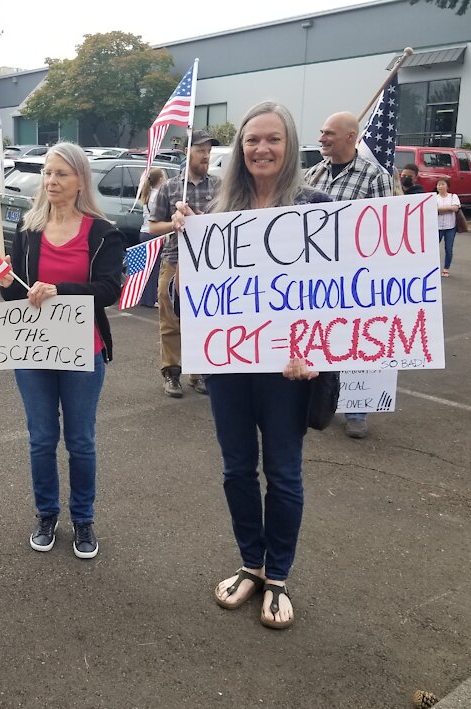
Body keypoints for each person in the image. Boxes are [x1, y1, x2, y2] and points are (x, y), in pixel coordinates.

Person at [172, 101, 332, 631]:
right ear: (239, 151)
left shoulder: (317, 207)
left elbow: (337, 297)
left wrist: (317, 350)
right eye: (251, 140)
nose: (261, 148)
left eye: (273, 139)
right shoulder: (217, 216)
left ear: (289, 147)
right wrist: (185, 245)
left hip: (289, 370)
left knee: (283, 474)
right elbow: (184, 300)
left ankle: (279, 577)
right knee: (237, 468)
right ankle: (251, 563)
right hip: (230, 367)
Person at [0, 142, 124, 560]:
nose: (51, 181)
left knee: (81, 441)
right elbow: (16, 296)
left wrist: (60, 290)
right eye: (48, 173)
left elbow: (110, 289)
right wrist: (3, 281)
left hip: (83, 350)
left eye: (61, 174)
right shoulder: (28, 229)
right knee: (41, 439)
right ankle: (46, 514)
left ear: (80, 180)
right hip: (33, 350)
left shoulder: (103, 232)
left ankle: (83, 518)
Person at [301, 110, 393, 439]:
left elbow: (386, 229)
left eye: (328, 133)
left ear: (351, 137)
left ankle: (357, 410)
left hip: (355, 276)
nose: (321, 138)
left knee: (356, 341)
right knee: (320, 340)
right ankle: (319, 403)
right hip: (315, 276)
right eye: (321, 132)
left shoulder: (375, 176)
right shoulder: (311, 175)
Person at [149, 129, 221, 398]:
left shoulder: (219, 186)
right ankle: (172, 373)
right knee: (171, 320)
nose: (206, 155)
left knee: (203, 318)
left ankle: (199, 371)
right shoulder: (170, 187)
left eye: (209, 151)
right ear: (188, 152)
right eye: (201, 150)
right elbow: (153, 225)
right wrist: (175, 222)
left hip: (207, 264)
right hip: (174, 260)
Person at [135, 167, 167, 308]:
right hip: (153, 234)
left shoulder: (147, 195)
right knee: (155, 269)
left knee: (146, 268)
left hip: (144, 232)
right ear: (160, 180)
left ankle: (144, 297)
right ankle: (151, 298)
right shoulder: (157, 196)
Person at [434, 178, 461, 278]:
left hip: (450, 226)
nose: (440, 186)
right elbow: (433, 209)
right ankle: (434, 267)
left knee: (448, 248)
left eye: (442, 184)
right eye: (438, 185)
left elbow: (455, 208)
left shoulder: (453, 196)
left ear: (447, 186)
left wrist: (441, 210)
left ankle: (446, 268)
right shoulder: (434, 198)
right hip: (437, 226)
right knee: (434, 248)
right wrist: (449, 209)